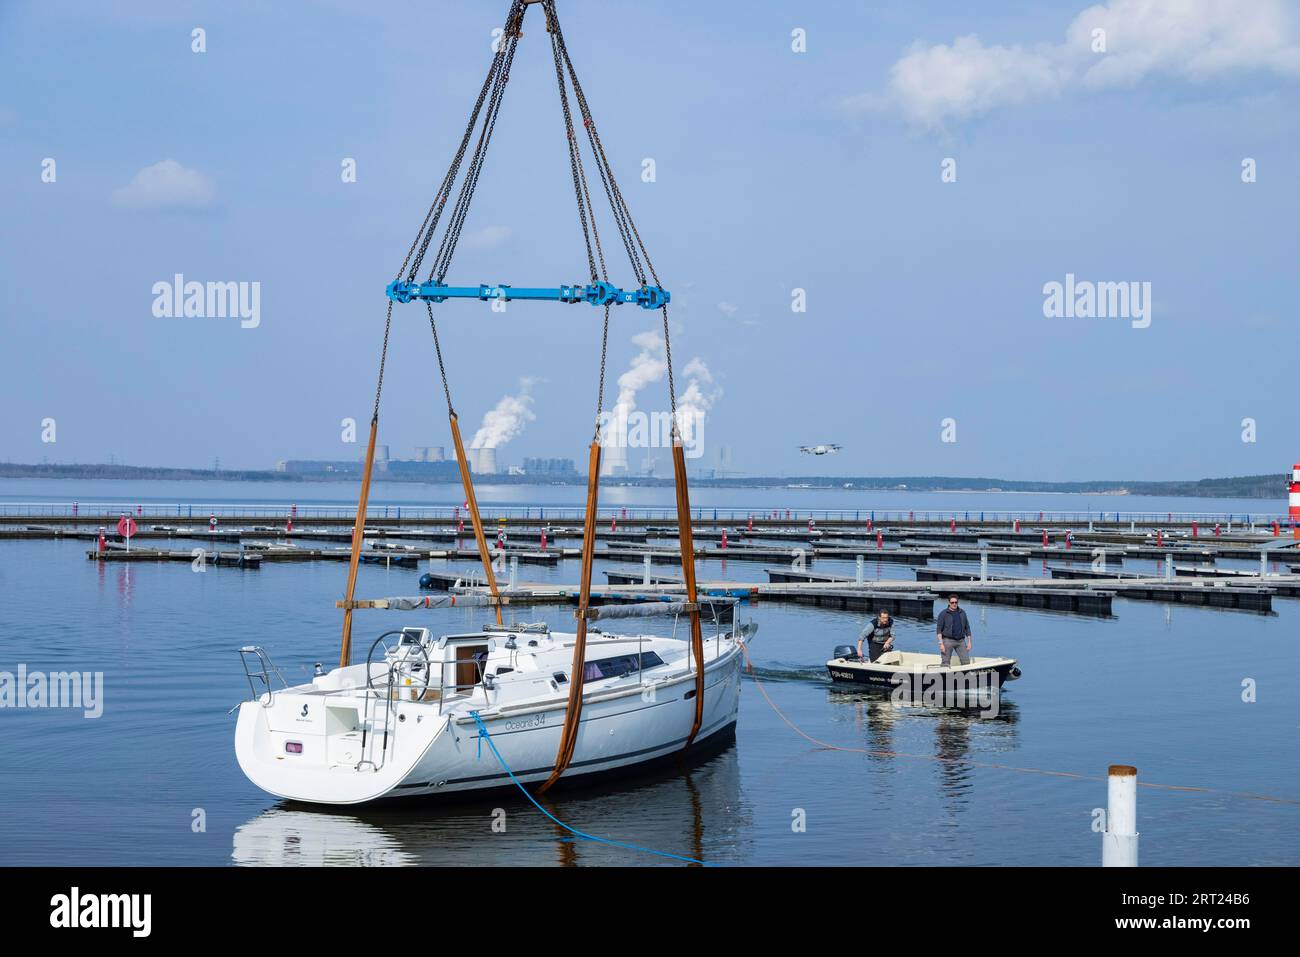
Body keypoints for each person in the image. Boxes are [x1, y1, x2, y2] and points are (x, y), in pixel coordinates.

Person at [935, 595, 972, 666]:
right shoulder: (943, 614)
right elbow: (939, 630)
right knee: (945, 662)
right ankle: (943, 675)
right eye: (952, 602)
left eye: (956, 602)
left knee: (966, 662)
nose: (954, 604)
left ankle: (965, 675)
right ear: (949, 603)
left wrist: (969, 642)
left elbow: (967, 628)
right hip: (947, 641)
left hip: (961, 641)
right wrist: (941, 644)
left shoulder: (962, 613)